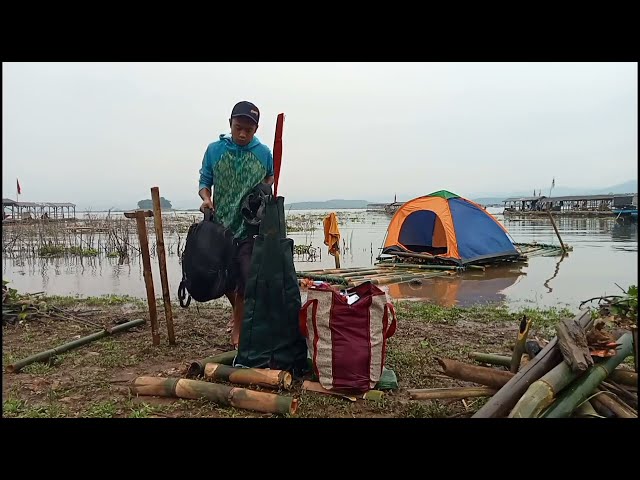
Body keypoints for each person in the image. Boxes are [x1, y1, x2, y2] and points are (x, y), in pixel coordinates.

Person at [198, 101, 274, 348]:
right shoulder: (214, 150)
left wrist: (263, 190)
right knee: (224, 280)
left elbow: (271, 176)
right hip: (221, 227)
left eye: (248, 130)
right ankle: (236, 312)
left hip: (250, 228)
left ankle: (239, 330)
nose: (242, 134)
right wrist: (207, 200)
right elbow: (204, 180)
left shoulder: (263, 153)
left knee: (245, 280)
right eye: (238, 127)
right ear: (230, 124)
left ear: (256, 129)